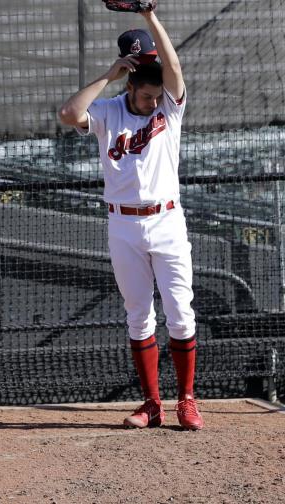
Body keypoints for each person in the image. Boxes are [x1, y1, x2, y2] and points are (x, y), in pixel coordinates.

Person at [57, 6, 204, 430]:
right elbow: (68, 114)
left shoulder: (168, 109)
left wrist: (150, 14)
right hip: (123, 224)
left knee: (181, 312)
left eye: (158, 91)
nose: (153, 99)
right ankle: (152, 404)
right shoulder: (108, 111)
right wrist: (107, 76)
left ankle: (187, 400)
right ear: (130, 83)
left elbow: (173, 68)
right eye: (145, 92)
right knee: (138, 314)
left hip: (167, 220)